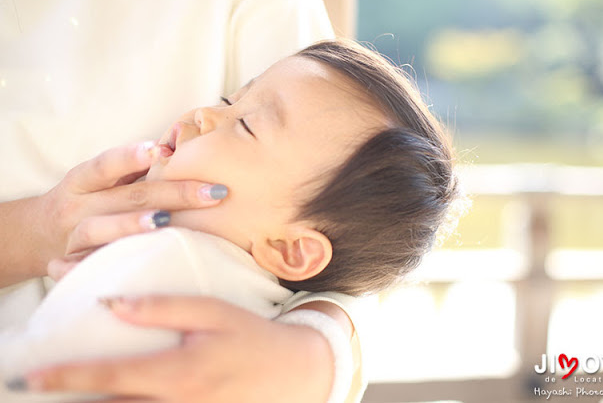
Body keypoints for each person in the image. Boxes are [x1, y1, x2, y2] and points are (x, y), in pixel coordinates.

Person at [1, 39, 460, 402]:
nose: (204, 115)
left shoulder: (167, 262)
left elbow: (28, 379)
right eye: (228, 100)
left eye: (245, 124)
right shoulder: (261, 310)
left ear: (290, 249)